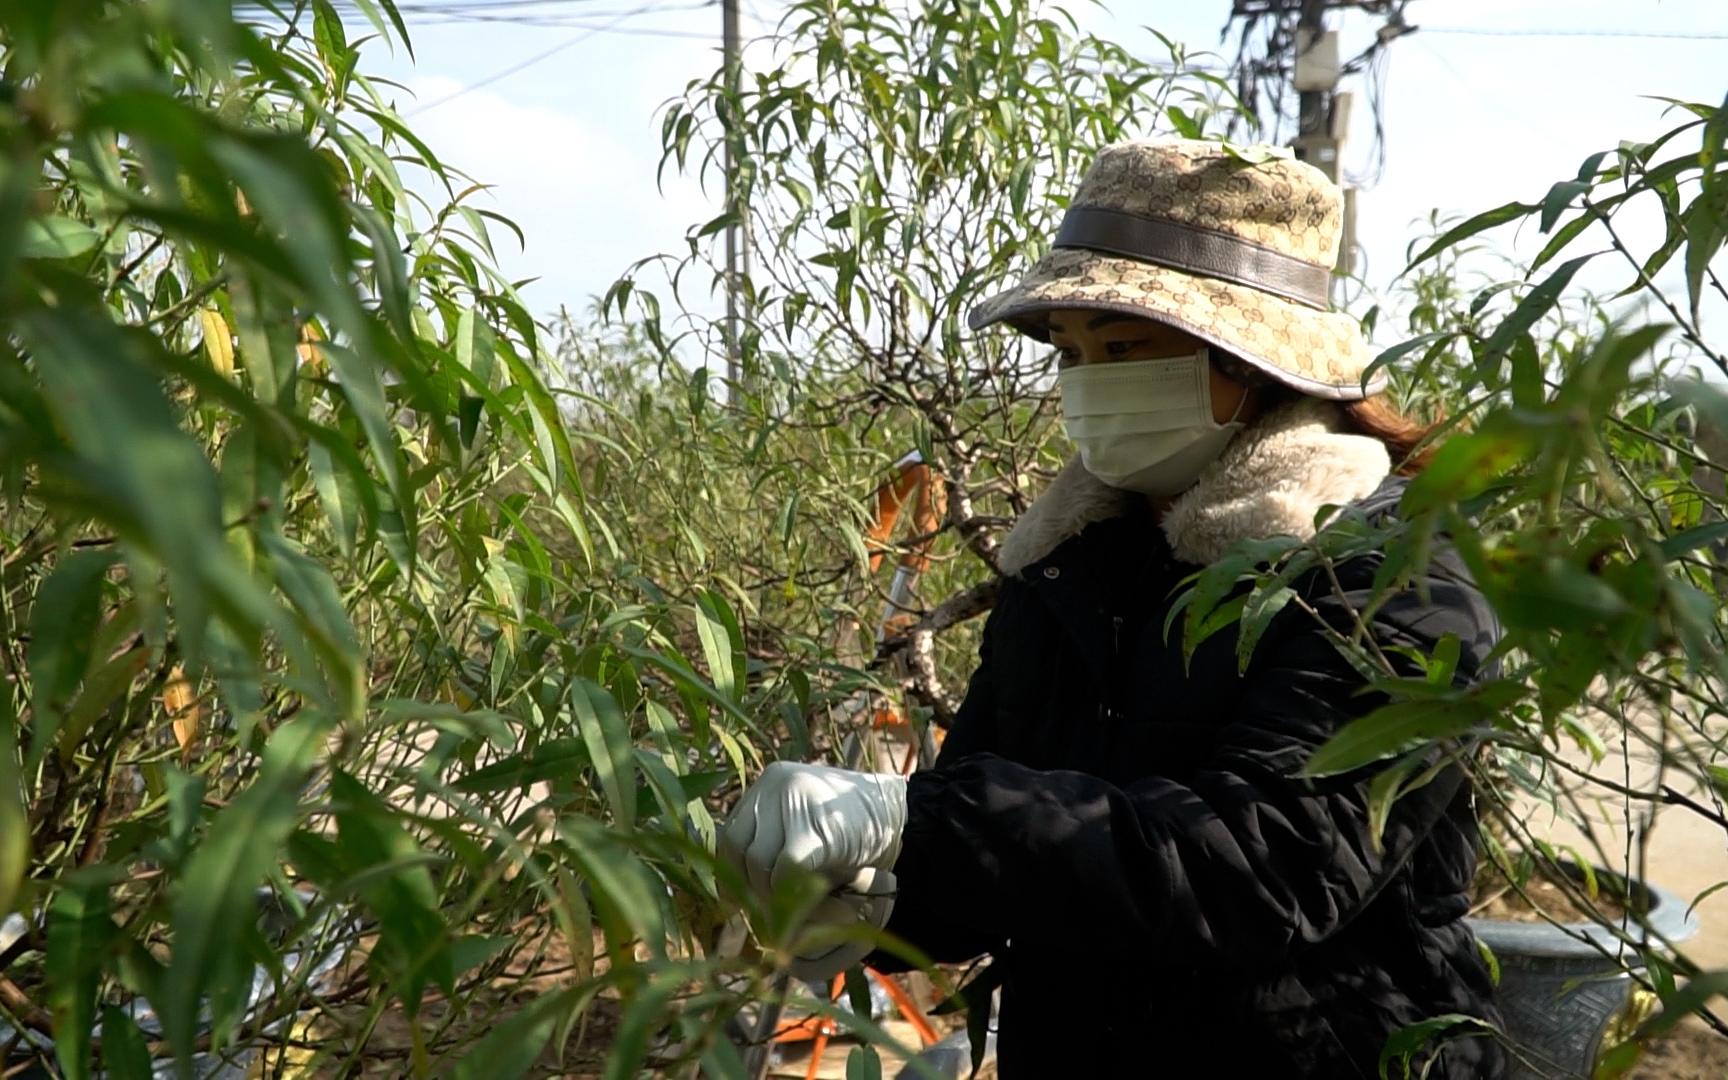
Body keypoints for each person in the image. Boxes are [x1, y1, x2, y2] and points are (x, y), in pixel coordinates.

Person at [720, 140, 1505, 1078]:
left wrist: (914, 823)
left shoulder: (1390, 572)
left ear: (1247, 364)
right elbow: (1009, 838)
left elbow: (1269, 863)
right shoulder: (1068, 565)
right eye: (1072, 352)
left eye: (1125, 348)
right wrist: (880, 899)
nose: (1089, 381)